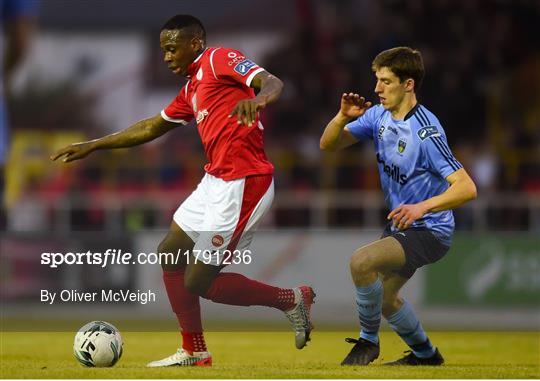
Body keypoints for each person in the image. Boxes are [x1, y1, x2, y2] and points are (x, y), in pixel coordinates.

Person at [51, 15, 315, 367]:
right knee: (170, 251)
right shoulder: (192, 88)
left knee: (200, 281)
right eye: (162, 51)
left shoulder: (219, 58)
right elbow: (152, 126)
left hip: (244, 182)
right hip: (215, 180)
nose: (165, 57)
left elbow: (272, 81)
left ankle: (291, 298)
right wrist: (95, 144)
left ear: (194, 43)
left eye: (171, 49)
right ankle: (194, 350)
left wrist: (261, 99)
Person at [320, 47, 477, 366]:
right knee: (387, 300)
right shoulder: (378, 115)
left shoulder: (425, 131)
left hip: (430, 230)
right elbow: (329, 144)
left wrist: (423, 207)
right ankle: (426, 355)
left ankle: (367, 342)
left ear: (408, 84)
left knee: (362, 262)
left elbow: (467, 188)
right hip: (402, 226)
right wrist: (341, 118)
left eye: (386, 81)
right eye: (377, 80)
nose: (377, 88)